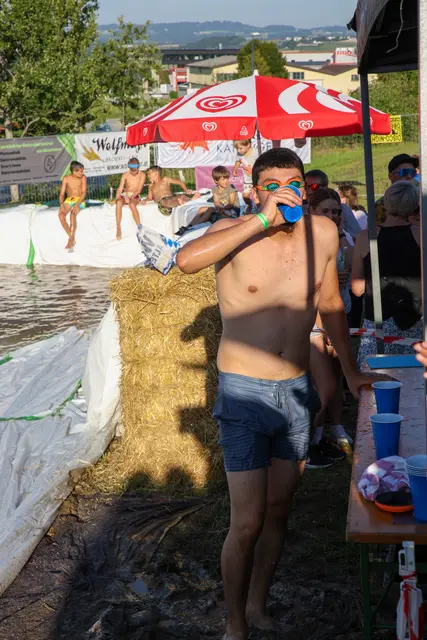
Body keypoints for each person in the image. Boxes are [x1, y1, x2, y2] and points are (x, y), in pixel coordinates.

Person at [176, 148, 387, 640]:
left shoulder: (324, 233)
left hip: (295, 392)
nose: (287, 193)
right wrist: (260, 220)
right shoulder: (233, 233)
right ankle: (234, 625)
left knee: (278, 511)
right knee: (247, 521)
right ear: (255, 192)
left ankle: (256, 605)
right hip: (244, 393)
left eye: (295, 184)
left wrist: (351, 372)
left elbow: (330, 303)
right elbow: (185, 261)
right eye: (272, 186)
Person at [306, 188, 354, 468]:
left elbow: (353, 265)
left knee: (336, 381)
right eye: (325, 211)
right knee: (323, 388)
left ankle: (329, 433)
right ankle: (305, 446)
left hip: (338, 315)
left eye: (336, 211)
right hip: (314, 323)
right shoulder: (304, 242)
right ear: (310, 211)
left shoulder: (338, 237)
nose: (332, 215)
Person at [352, 180, 422, 367]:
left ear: (385, 203)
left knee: (375, 380)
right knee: (414, 379)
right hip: (414, 321)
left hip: (377, 323)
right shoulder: (421, 235)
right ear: (414, 206)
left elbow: (357, 289)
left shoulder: (365, 237)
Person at [305, 169, 361, 239]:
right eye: (305, 186)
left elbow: (357, 236)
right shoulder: (300, 209)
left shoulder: (342, 208)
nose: (308, 190)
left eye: (314, 186)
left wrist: (340, 234)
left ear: (325, 187)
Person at [375, 153, 419, 223]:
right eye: (404, 172)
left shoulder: (422, 202)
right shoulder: (380, 207)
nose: (409, 176)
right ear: (391, 176)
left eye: (412, 172)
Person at [115, 158, 146, 240]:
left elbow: (139, 190)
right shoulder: (125, 175)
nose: (133, 173)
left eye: (135, 172)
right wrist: (117, 197)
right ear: (129, 168)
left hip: (135, 195)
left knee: (132, 204)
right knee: (118, 202)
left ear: (138, 167)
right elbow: (120, 189)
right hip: (125, 194)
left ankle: (139, 227)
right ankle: (118, 228)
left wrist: (130, 197)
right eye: (131, 172)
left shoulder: (142, 175)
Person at [59, 161, 87, 250]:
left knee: (72, 214)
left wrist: (77, 204)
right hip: (69, 199)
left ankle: (70, 240)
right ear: (74, 171)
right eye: (81, 171)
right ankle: (71, 237)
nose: (83, 173)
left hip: (80, 200)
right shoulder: (66, 178)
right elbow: (62, 194)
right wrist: (61, 204)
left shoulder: (83, 178)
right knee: (61, 215)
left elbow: (84, 193)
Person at [233, 139, 258, 212]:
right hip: (247, 181)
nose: (238, 150)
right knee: (245, 196)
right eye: (237, 149)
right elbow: (238, 161)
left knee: (257, 197)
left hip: (256, 179)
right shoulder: (239, 154)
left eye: (240, 148)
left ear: (248, 145)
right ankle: (250, 206)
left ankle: (258, 208)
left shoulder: (255, 152)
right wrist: (235, 169)